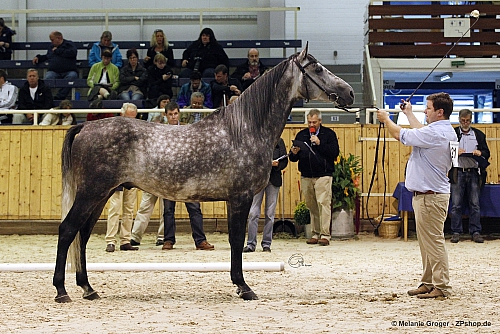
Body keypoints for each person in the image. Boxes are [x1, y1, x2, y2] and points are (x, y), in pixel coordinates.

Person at [376, 92, 457, 299]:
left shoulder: (435, 133)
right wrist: (409, 113)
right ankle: (429, 282)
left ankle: (441, 286)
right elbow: (421, 131)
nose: (425, 111)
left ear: (440, 112)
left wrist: (387, 119)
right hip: (429, 195)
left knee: (434, 241)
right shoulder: (442, 131)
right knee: (427, 241)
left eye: (428, 108)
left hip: (430, 197)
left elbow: (400, 135)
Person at [161, 101, 214, 251]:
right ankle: (168, 240)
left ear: (179, 113)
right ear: (165, 115)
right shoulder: (160, 131)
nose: (173, 117)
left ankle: (200, 240)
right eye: (170, 114)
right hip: (167, 175)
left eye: (175, 113)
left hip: (187, 175)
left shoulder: (187, 129)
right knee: (168, 210)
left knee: (194, 208)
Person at [289, 109, 339, 246]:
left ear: (320, 121)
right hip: (306, 175)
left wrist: (319, 143)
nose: (311, 124)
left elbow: (334, 152)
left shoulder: (328, 134)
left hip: (323, 174)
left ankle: (325, 235)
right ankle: (315, 233)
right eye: (309, 122)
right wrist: (293, 153)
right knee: (312, 205)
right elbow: (293, 159)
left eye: (314, 122)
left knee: (323, 204)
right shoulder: (302, 135)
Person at [130, 99, 169, 247]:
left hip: (166, 178)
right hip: (151, 178)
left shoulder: (168, 141)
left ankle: (162, 236)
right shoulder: (146, 143)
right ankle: (135, 236)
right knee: (145, 207)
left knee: (166, 210)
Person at [450, 108, 490, 244]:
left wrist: (480, 152)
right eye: (463, 120)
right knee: (456, 204)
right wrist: (456, 152)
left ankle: (476, 231)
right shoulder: (453, 133)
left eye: (468, 120)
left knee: (475, 204)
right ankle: (456, 231)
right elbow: (445, 151)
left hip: (473, 171)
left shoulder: (478, 134)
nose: (465, 123)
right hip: (458, 171)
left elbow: (486, 152)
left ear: (471, 120)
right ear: (459, 120)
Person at [105, 103, 140, 252]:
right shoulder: (113, 131)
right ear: (122, 115)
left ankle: (125, 239)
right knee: (115, 206)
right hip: (117, 172)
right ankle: (110, 240)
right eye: (128, 117)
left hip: (132, 172)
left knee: (129, 208)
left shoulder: (138, 132)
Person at [243, 138, 288, 253]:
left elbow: (285, 161)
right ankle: (251, 244)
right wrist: (267, 163)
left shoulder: (279, 141)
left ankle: (266, 244)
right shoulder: (256, 139)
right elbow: (250, 160)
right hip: (258, 179)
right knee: (253, 213)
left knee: (270, 213)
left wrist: (278, 165)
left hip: (274, 179)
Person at [32, 31, 78, 100]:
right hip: (54, 71)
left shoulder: (69, 44)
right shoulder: (52, 47)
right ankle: (47, 97)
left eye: (52, 40)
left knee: (72, 76)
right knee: (48, 77)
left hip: (69, 71)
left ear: (59, 38)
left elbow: (72, 53)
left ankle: (60, 96)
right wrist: (39, 57)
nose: (52, 42)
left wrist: (58, 51)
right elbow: (48, 56)